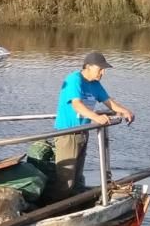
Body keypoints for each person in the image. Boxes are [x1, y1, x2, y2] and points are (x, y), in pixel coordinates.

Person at [52, 51, 135, 201]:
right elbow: (77, 105)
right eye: (100, 69)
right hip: (67, 133)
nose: (103, 73)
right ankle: (51, 208)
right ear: (88, 67)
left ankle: (74, 204)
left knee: (77, 178)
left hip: (83, 132)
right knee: (66, 180)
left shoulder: (95, 84)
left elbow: (109, 101)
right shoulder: (74, 80)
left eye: (104, 70)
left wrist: (125, 111)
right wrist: (97, 117)